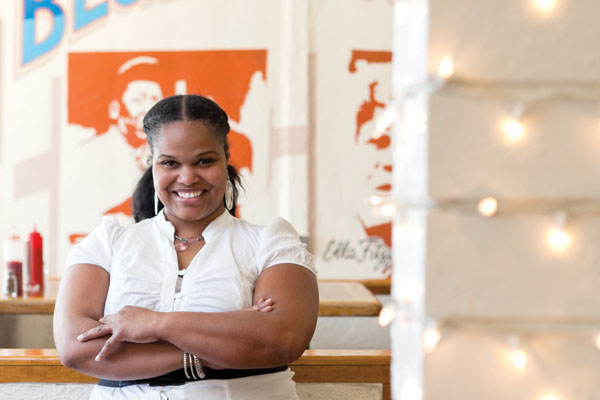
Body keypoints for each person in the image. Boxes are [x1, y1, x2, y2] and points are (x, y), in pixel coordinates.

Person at [53, 94, 319, 399]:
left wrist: (154, 324)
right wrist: (217, 349)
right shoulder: (108, 242)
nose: (187, 177)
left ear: (226, 159)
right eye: (170, 163)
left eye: (204, 161)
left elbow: (282, 339)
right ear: (151, 163)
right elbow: (75, 349)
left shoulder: (271, 240)